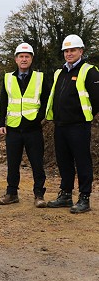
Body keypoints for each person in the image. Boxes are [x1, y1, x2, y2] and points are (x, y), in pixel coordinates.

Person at [45, 34, 99, 213]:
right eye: (66, 51)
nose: (69, 53)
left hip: (78, 125)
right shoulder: (60, 72)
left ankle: (84, 197)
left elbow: (97, 98)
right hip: (60, 125)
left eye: (73, 50)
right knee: (64, 161)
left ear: (81, 51)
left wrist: (86, 115)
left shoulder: (89, 71)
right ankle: (66, 194)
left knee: (82, 161)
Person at [0, 43, 50, 208]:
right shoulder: (7, 78)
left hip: (33, 128)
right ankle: (12, 193)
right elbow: (3, 102)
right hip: (13, 128)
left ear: (31, 59)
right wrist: (1, 123)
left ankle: (39, 194)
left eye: (27, 56)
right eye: (21, 56)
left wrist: (39, 118)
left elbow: (47, 100)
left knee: (37, 163)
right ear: (16, 59)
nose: (24, 59)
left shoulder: (40, 78)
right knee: (13, 163)